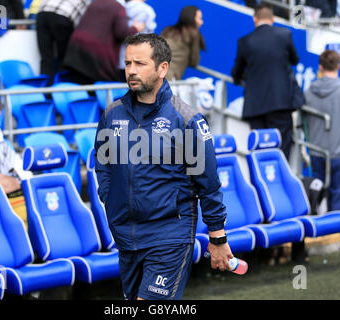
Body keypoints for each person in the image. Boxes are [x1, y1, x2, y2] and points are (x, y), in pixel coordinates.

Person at [94, 33, 234, 300]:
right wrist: (111, 199)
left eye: (140, 63)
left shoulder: (186, 119)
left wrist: (217, 238)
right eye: (127, 63)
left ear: (162, 68)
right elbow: (102, 163)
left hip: (169, 236)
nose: (131, 71)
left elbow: (209, 183)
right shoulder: (112, 114)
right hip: (126, 236)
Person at [304, 50, 340, 252]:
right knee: (338, 196)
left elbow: (305, 122)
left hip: (317, 152)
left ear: (320, 66)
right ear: (338, 66)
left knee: (318, 194)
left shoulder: (309, 90)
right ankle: (339, 240)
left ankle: (319, 237)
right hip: (339, 153)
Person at [231, 3, 299, 159]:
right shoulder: (284, 34)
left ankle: (260, 181)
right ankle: (280, 180)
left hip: (256, 105)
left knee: (259, 147)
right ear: (273, 19)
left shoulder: (245, 41)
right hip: (280, 102)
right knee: (282, 148)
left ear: (255, 19)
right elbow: (295, 60)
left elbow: (236, 73)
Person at [63, 0, 145, 84]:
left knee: (75, 86)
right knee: (96, 91)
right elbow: (122, 33)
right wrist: (135, 28)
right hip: (95, 56)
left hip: (75, 49)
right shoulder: (118, 7)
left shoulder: (95, 3)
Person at [36, 0, 91, 84]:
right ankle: (62, 90)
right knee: (64, 59)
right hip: (63, 17)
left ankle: (46, 92)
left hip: (42, 14)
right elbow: (83, 24)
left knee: (46, 59)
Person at [160, 5, 205, 81]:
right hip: (169, 77)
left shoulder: (167, 31)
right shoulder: (193, 34)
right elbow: (194, 62)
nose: (201, 22)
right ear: (191, 19)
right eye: (200, 18)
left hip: (154, 71)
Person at [118, 0, 157, 82]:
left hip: (121, 60)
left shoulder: (119, 8)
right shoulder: (147, 11)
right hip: (141, 59)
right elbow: (150, 35)